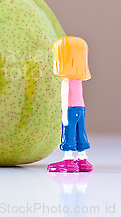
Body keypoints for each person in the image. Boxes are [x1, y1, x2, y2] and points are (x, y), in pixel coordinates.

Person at [47, 36, 93, 173]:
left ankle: (67, 159)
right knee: (81, 132)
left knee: (68, 132)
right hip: (81, 109)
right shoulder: (78, 80)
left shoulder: (66, 82)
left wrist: (64, 118)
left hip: (70, 110)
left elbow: (65, 99)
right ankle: (82, 159)